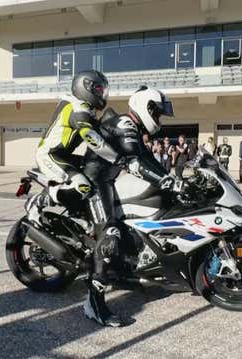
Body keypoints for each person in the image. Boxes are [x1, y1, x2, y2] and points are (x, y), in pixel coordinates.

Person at [27, 70, 128, 326]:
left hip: (63, 154)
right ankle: (43, 199)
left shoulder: (84, 107)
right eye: (98, 90)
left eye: (102, 91)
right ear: (85, 87)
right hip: (50, 156)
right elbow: (90, 136)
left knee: (91, 178)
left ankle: (83, 225)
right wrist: (117, 158)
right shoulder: (77, 107)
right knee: (85, 187)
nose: (101, 94)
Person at [82, 86, 177, 326]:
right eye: (156, 114)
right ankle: (93, 303)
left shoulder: (133, 129)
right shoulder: (124, 124)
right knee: (110, 235)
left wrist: (176, 181)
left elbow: (147, 160)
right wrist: (168, 182)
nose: (157, 120)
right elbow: (135, 162)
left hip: (109, 180)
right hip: (96, 181)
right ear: (145, 108)